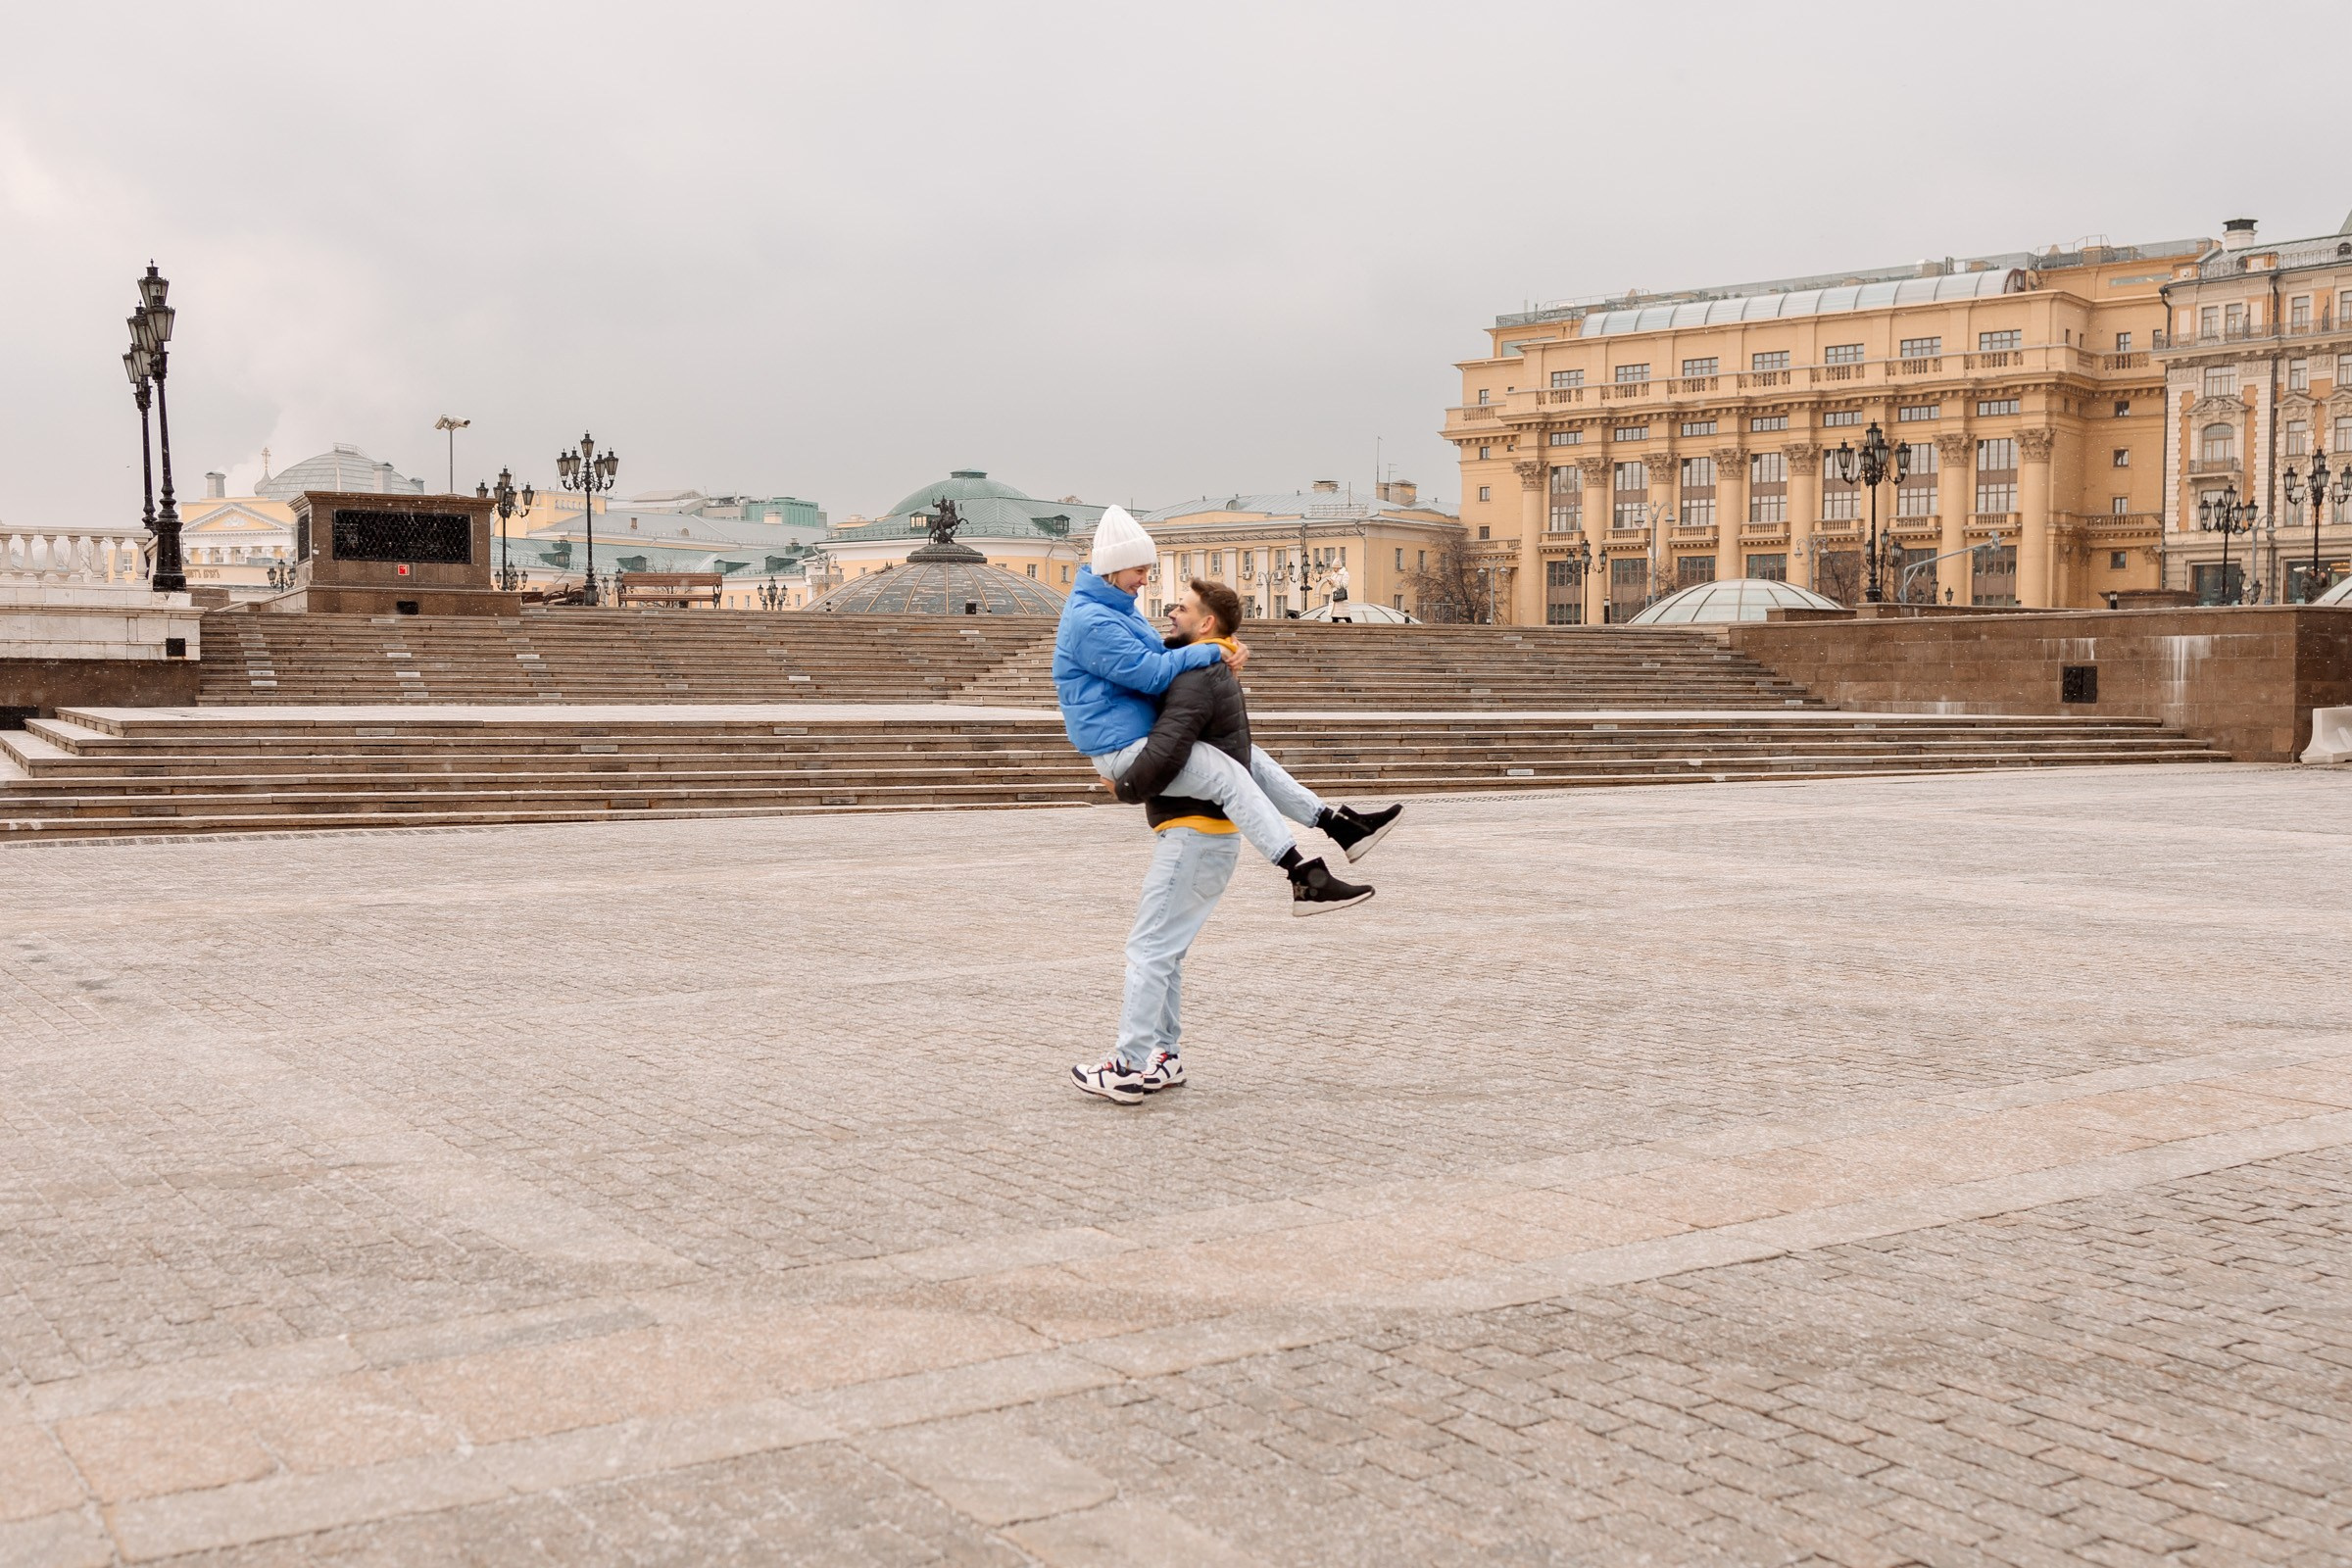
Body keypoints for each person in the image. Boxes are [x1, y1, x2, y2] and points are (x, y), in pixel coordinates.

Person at [1071, 577, 1398, 1104]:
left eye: (1182, 608)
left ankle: (1129, 1065)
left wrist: (1124, 786)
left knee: (1148, 951)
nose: (1170, 611)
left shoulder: (1198, 676)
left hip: (1191, 838)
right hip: (1205, 838)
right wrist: (1226, 646)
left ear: (1205, 624)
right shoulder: (1206, 663)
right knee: (1166, 952)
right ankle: (1164, 1057)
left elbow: (1171, 747)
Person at [1054, 508, 1382, 911]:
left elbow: (1160, 652)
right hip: (1122, 750)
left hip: (1141, 737)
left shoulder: (1117, 610)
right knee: (1230, 775)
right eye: (1139, 570)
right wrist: (1214, 647)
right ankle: (1303, 877)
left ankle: (1340, 828)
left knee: (1246, 758)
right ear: (1114, 567)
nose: (1145, 579)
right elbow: (1152, 673)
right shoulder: (1091, 620)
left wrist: (1225, 643)